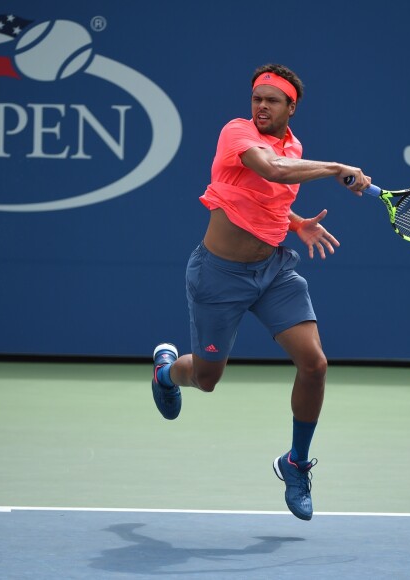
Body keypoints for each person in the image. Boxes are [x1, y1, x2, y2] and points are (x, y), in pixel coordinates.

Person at [151, 63, 371, 521]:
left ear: (292, 106)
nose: (261, 107)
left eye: (272, 100)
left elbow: (265, 192)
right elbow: (269, 169)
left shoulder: (294, 147)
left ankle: (295, 462)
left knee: (315, 364)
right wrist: (335, 169)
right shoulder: (236, 132)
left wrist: (296, 223)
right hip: (219, 276)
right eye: (257, 99)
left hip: (273, 271)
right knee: (208, 379)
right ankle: (167, 374)